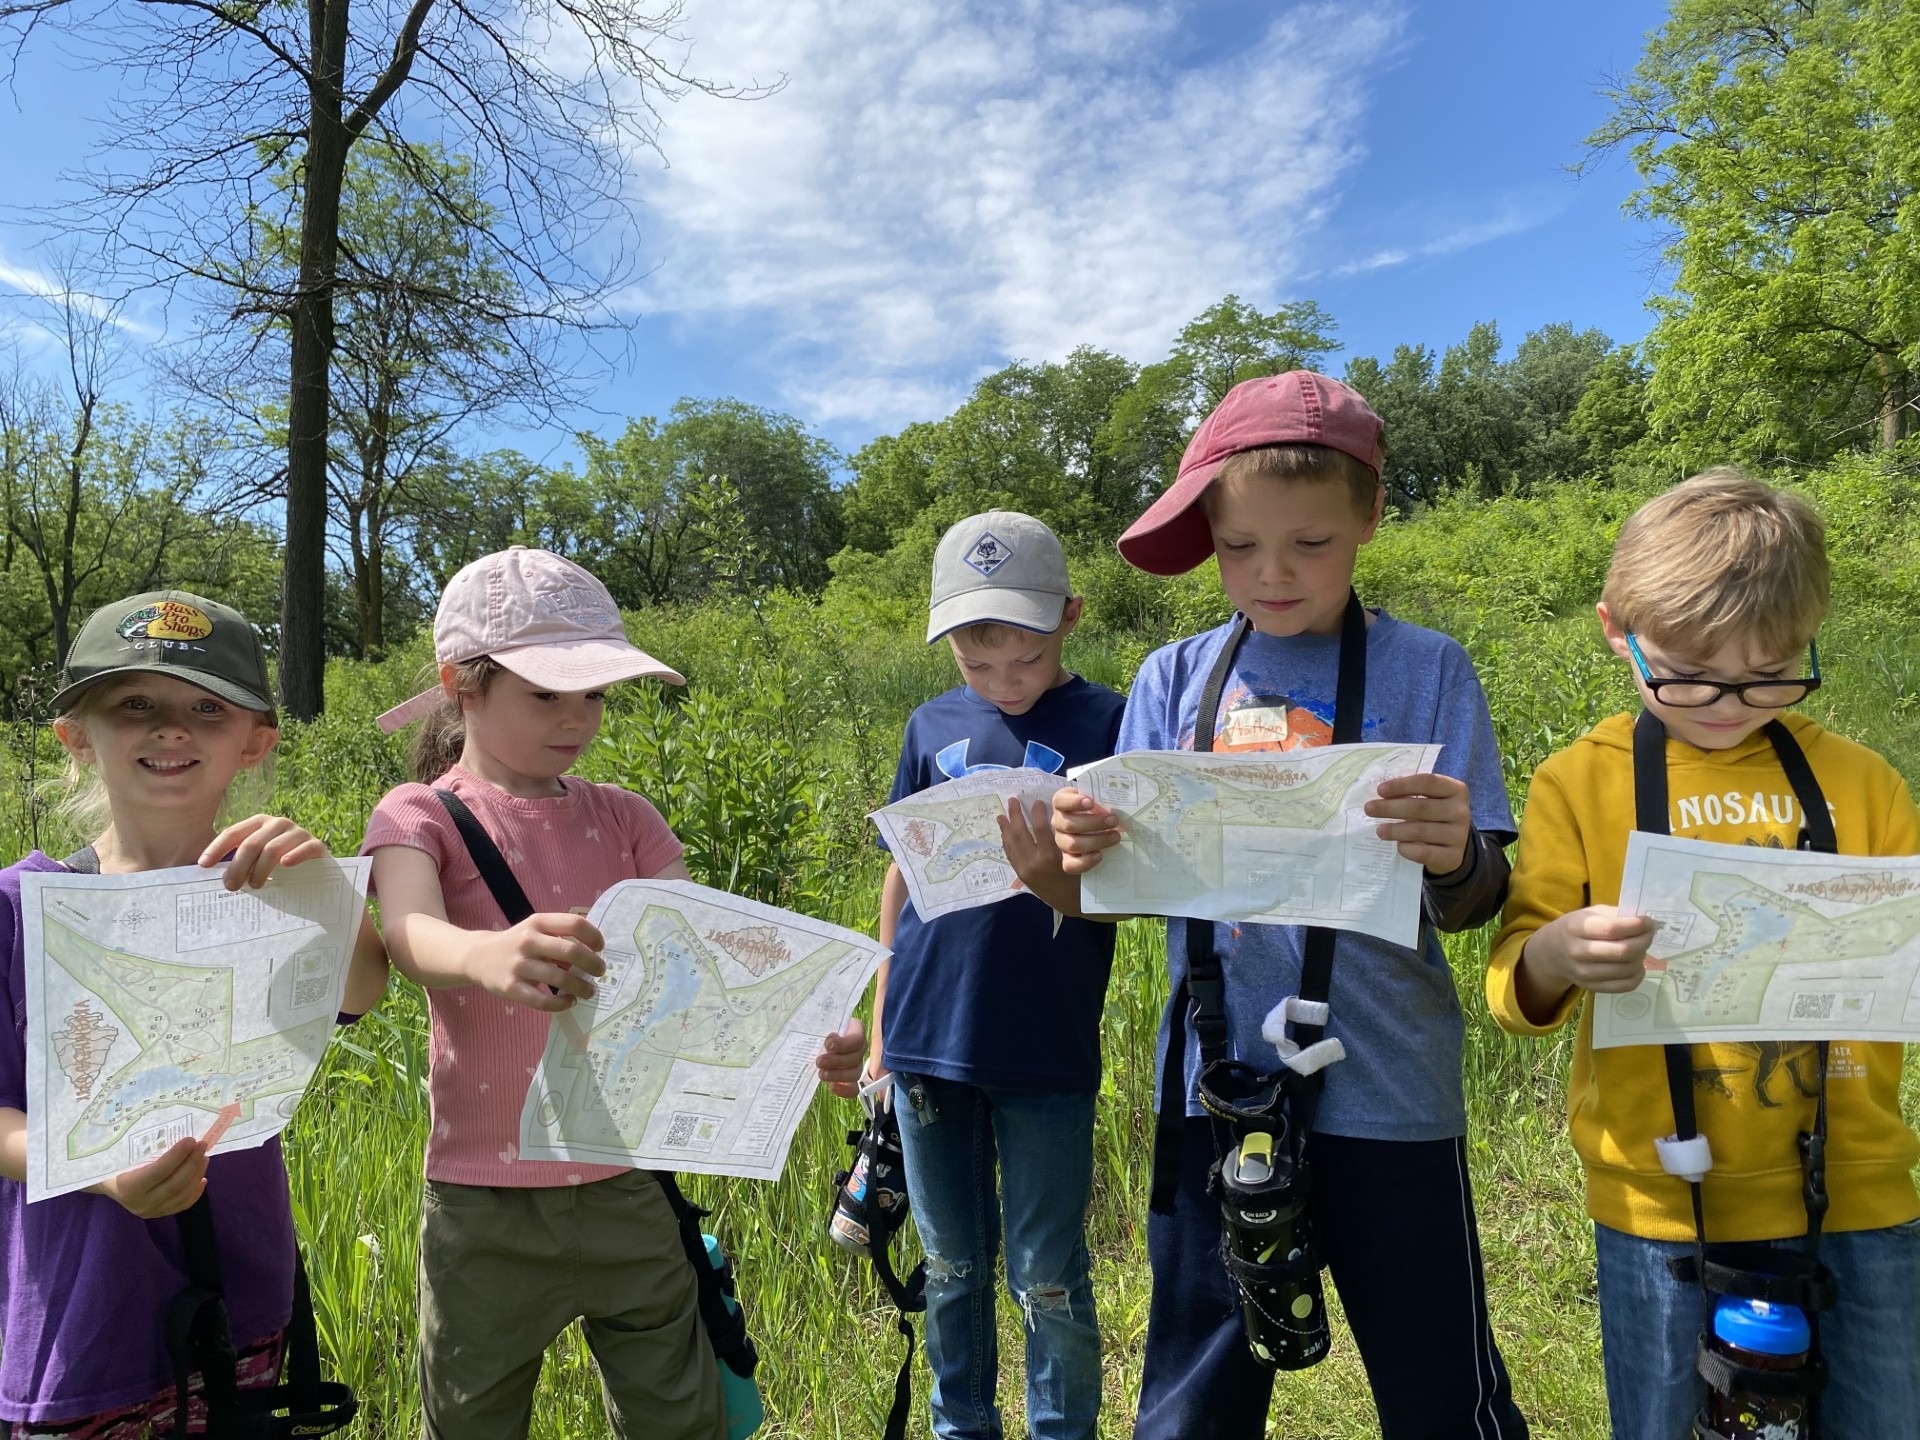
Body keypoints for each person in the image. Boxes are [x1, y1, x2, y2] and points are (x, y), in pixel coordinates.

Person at [1023, 373, 1529, 1439]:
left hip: (1388, 1090)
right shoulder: (1173, 678)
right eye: (1242, 547)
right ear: (1208, 533)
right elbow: (1114, 897)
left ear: (1369, 520)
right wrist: (1061, 868)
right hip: (1212, 1091)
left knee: (1440, 1386)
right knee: (1194, 1397)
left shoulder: (1430, 669)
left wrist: (1454, 855)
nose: (1273, 574)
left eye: (1311, 545)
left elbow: (1477, 900)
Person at [1487, 471, 1920, 1435]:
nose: (1728, 704)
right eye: (1688, 673)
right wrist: (1559, 951)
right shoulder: (1579, 782)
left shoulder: (1863, 781)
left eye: (1771, 675)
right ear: (1616, 629)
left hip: (1857, 1190)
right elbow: (1514, 985)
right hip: (1660, 1202)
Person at [0, 589, 387, 1437]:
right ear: (76, 737)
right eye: (133, 703)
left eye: (206, 708)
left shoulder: (273, 894)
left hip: (242, 1307)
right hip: (84, 1320)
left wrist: (323, 891)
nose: (169, 728)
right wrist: (101, 1167)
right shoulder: (21, 906)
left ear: (255, 743)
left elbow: (359, 991)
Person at [361, 546, 726, 1440]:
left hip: (629, 1180)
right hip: (484, 1199)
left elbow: (703, 950)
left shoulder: (625, 815)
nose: (578, 718)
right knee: (474, 1416)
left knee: (679, 1412)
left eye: (595, 693)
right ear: (462, 686)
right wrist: (491, 957)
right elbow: (407, 933)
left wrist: (805, 1039)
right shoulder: (418, 813)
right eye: (546, 694)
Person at [815, 511, 1126, 1440]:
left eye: (1022, 659)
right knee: (950, 1268)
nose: (1001, 681)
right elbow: (900, 872)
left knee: (1047, 1271)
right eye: (975, 663)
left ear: (1069, 616)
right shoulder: (930, 725)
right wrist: (877, 1027)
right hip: (922, 1037)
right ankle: (962, 1427)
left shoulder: (1113, 722)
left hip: (1043, 1040)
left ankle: (1061, 1428)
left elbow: (1132, 883)